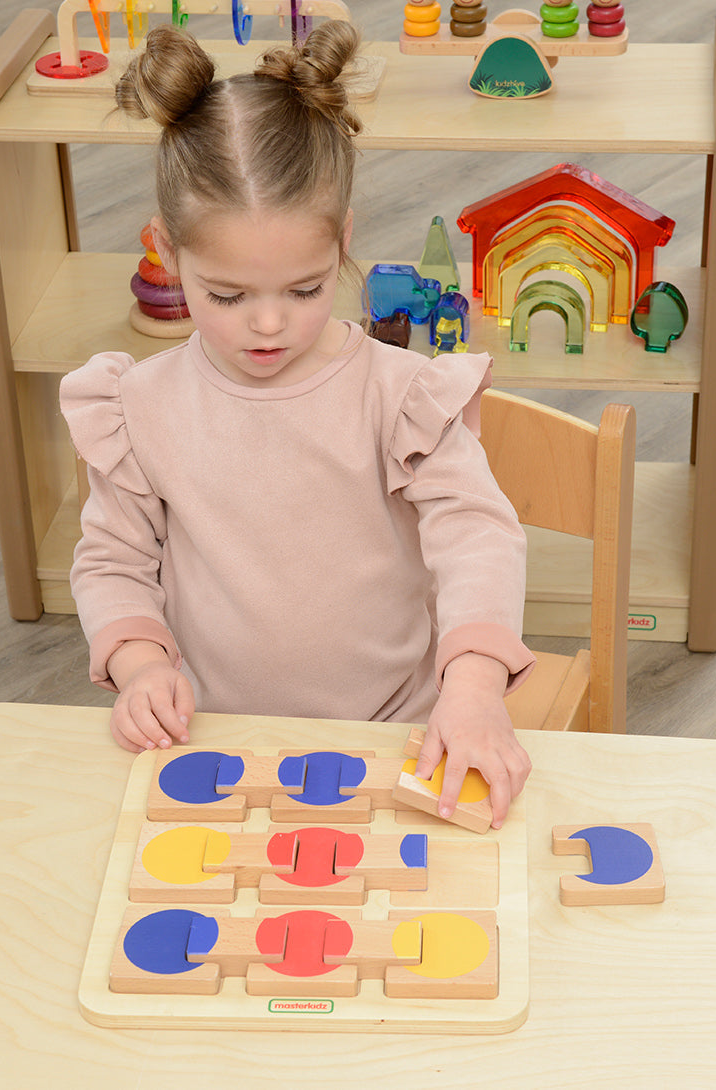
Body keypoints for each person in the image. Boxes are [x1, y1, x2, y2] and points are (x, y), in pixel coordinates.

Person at [60, 19, 535, 827]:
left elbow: (477, 537)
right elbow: (112, 560)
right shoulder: (140, 406)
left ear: (343, 242)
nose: (268, 327)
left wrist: (475, 687)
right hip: (213, 741)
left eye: (306, 290)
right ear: (167, 252)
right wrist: (141, 667)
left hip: (400, 732)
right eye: (228, 296)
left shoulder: (401, 395)